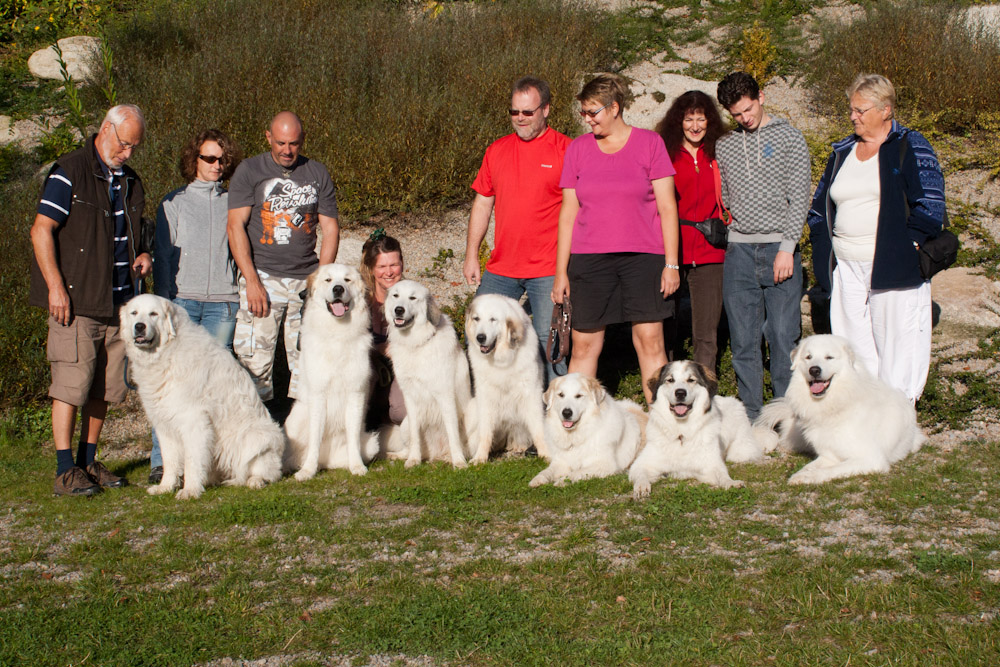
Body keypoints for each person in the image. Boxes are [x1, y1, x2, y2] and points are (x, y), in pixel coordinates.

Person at [29, 104, 152, 496]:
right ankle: (65, 469)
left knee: (104, 387)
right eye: (124, 144)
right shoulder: (70, 171)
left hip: (119, 302)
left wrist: (144, 255)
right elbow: (41, 230)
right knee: (71, 384)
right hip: (76, 301)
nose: (128, 153)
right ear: (105, 129)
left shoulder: (131, 182)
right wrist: (54, 287)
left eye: (134, 147)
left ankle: (88, 460)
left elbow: (138, 236)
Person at [807, 74, 946, 403]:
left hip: (892, 263)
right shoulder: (843, 151)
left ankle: (898, 415)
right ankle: (863, 414)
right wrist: (821, 246)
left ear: (886, 109)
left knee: (898, 342)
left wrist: (909, 244)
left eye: (860, 109)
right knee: (853, 345)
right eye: (851, 109)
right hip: (847, 266)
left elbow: (931, 202)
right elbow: (819, 207)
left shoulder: (909, 145)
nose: (853, 116)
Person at [551, 73, 681, 405]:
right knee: (583, 346)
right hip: (589, 260)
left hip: (644, 259)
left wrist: (671, 264)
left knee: (650, 341)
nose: (587, 120)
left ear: (615, 107)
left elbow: (668, 208)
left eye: (592, 112)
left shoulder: (650, 143)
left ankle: (663, 424)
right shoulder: (579, 149)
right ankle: (577, 427)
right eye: (583, 113)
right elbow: (568, 213)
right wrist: (561, 272)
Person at [148, 128, 242, 484]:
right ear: (194, 160)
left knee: (213, 387)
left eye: (222, 159)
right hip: (182, 303)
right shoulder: (173, 203)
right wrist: (166, 305)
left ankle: (211, 462)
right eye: (209, 158)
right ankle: (163, 463)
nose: (217, 165)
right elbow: (163, 257)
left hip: (223, 303)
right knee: (170, 385)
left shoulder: (235, 201)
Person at [464, 76, 571, 384]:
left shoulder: (566, 149)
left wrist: (567, 268)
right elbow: (483, 204)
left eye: (528, 112)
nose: (521, 119)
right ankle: (484, 403)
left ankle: (556, 413)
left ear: (546, 109)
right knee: (478, 329)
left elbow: (578, 210)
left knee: (550, 341)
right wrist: (472, 254)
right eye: (515, 112)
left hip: (548, 267)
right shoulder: (496, 150)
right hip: (502, 267)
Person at [227, 111, 340, 406]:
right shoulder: (249, 170)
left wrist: (320, 280)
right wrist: (251, 280)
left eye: (293, 143)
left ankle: (303, 438)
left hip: (305, 279)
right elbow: (235, 225)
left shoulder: (317, 173)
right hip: (263, 275)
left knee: (309, 361)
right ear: (268, 138)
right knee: (254, 360)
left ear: (302, 140)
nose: (287, 150)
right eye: (280, 143)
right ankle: (251, 435)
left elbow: (330, 228)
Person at [715, 72, 810, 420]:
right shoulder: (725, 145)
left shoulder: (789, 137)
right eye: (736, 114)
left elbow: (800, 195)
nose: (744, 118)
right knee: (743, 342)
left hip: (778, 250)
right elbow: (725, 196)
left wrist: (788, 246)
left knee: (784, 339)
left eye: (748, 108)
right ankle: (753, 418)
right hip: (738, 252)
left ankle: (787, 418)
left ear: (762, 97)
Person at [655, 90, 728, 371]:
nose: (695, 126)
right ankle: (667, 384)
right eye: (689, 119)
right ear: (678, 121)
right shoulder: (665, 153)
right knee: (666, 324)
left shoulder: (720, 152)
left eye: (701, 119)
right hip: (671, 248)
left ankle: (704, 389)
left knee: (706, 332)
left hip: (711, 250)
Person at [360, 229, 407, 429]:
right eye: (382, 266)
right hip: (368, 368)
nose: (389, 272)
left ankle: (388, 418)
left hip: (402, 368)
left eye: (394, 265)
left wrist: (393, 351)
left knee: (401, 411)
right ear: (371, 269)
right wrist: (376, 349)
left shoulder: (412, 297)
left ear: (402, 265)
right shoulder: (360, 301)